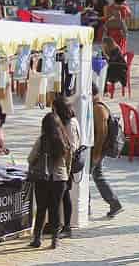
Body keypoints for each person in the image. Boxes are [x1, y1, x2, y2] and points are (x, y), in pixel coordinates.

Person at [27, 112, 73, 249]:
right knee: (55, 209)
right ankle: (55, 239)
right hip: (60, 178)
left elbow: (31, 158)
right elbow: (69, 160)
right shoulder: (65, 140)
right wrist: (66, 173)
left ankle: (37, 238)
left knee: (41, 208)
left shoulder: (42, 140)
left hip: (42, 178)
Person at [90, 83, 123, 219]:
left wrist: (97, 152)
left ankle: (113, 203)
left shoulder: (98, 108)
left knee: (92, 175)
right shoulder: (97, 106)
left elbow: (102, 132)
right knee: (96, 174)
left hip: (99, 148)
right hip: (98, 148)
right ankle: (114, 203)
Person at [52, 98, 80, 238]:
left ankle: (66, 226)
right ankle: (57, 224)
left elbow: (71, 147)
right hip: (65, 163)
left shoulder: (69, 124)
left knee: (64, 195)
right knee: (63, 194)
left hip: (66, 164)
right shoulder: (73, 121)